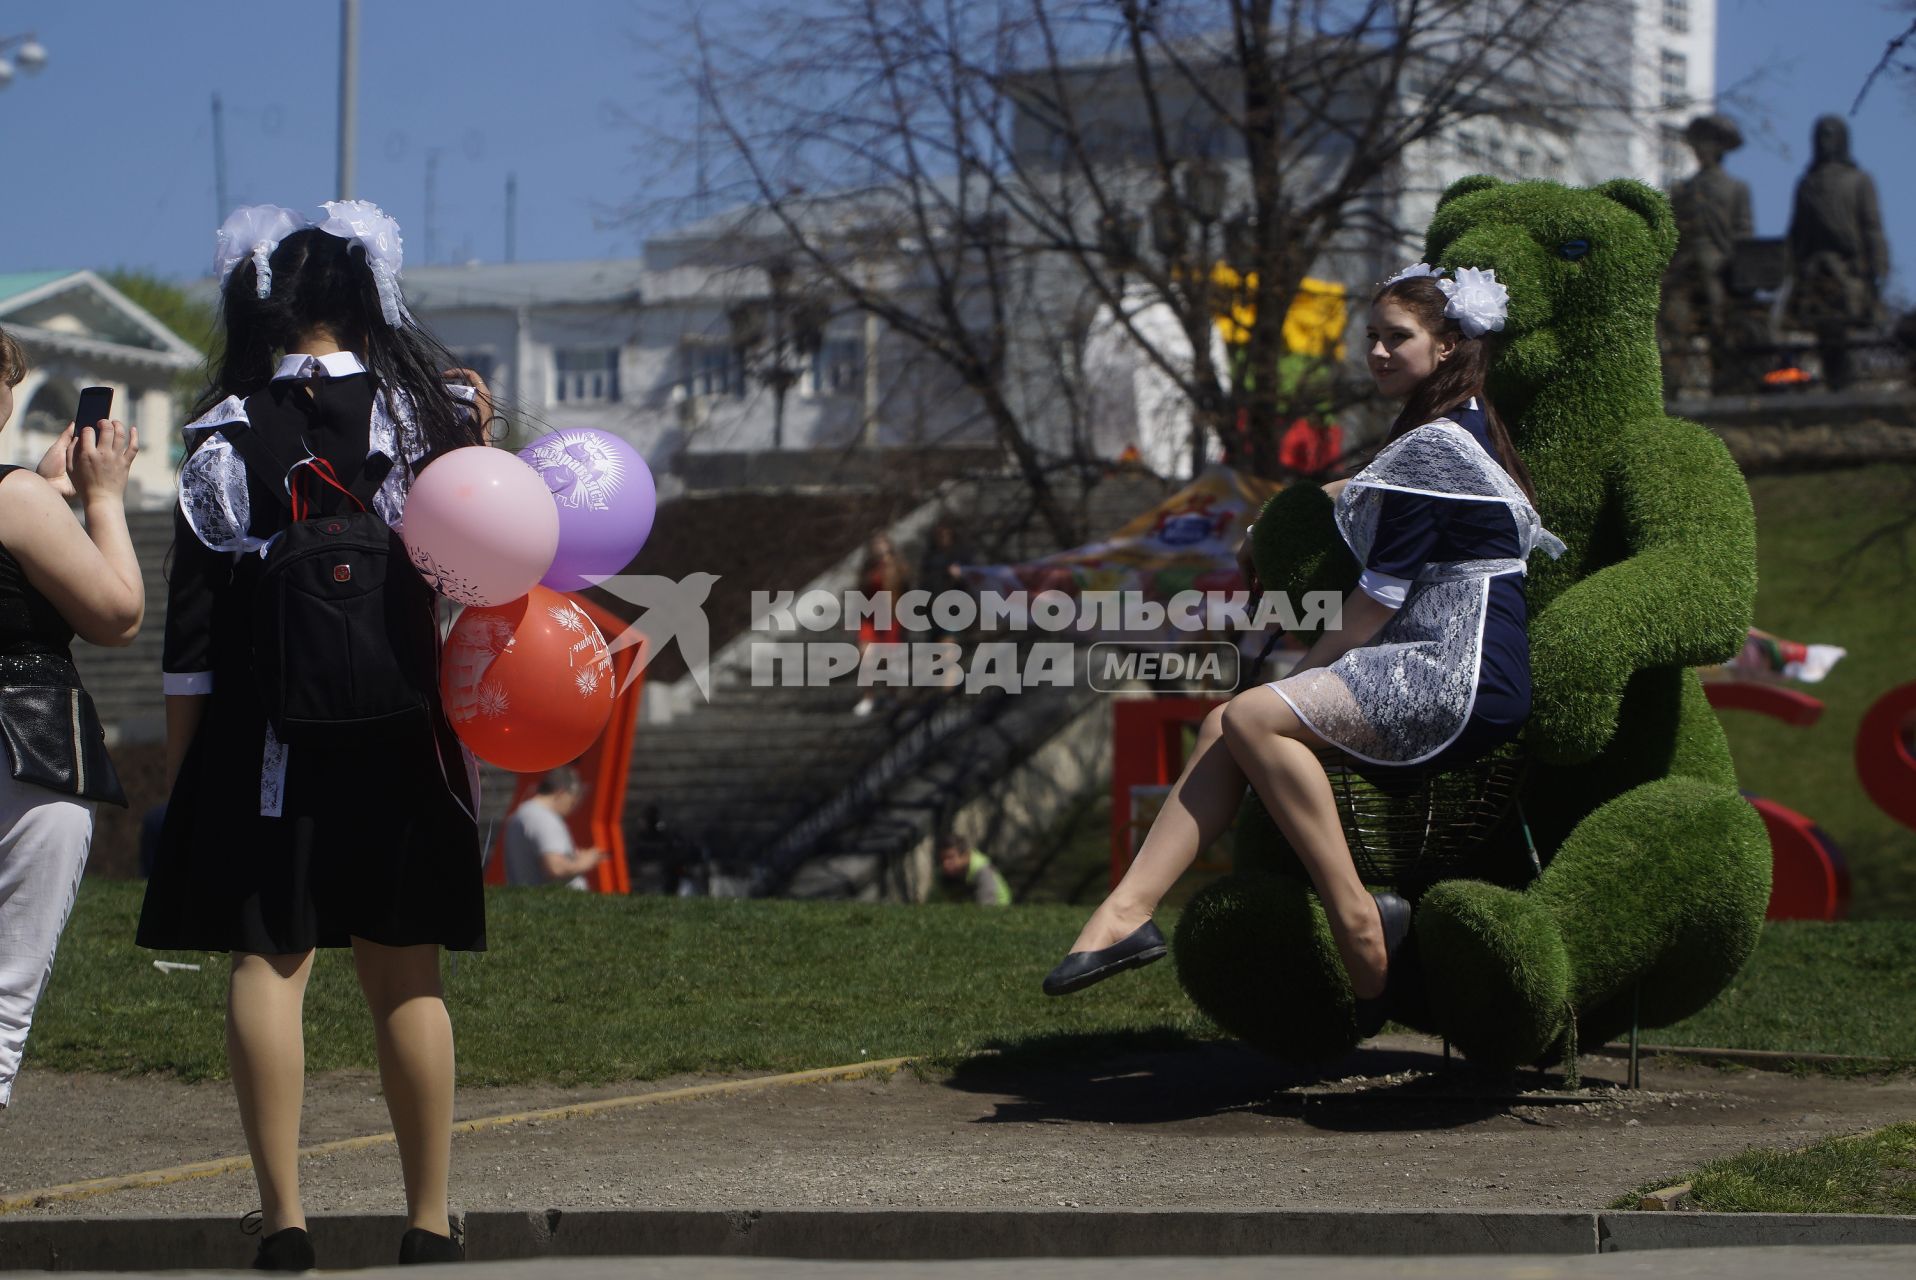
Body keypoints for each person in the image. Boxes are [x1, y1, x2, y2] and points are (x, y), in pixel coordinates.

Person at [1044, 263, 1561, 1031]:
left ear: (1450, 345)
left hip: (1457, 669)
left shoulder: (1434, 447)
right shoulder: (1454, 430)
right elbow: (1372, 490)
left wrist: (1298, 671)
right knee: (1227, 722)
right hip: (1442, 658)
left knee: (1251, 717)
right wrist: (1285, 516)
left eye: (1398, 339)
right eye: (1372, 339)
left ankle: (1356, 920)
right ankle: (1126, 912)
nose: (1378, 354)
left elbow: (1379, 598)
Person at [135, 202, 487, 1270]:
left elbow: (188, 643)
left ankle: (284, 1219)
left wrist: (187, 777)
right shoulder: (427, 421)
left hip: (263, 741)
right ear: (367, 296)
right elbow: (479, 572)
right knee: (405, 972)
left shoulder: (221, 432)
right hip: (398, 733)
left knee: (270, 960)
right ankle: (427, 1217)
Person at [0, 326, 143, 1112]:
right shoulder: (12, 494)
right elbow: (117, 613)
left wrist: (52, 494)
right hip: (24, 749)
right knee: (1, 1007)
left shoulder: (24, 497)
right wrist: (102, 499)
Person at [503, 767, 603, 889]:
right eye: (572, 800)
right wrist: (586, 861)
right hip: (558, 903)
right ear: (561, 792)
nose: (573, 807)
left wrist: (572, 858)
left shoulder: (522, 813)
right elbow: (555, 868)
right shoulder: (544, 818)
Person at [851, 533, 909, 717]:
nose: (881, 552)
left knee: (886, 660)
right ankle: (868, 697)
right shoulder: (868, 570)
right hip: (870, 618)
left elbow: (905, 589)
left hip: (890, 618)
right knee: (866, 656)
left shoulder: (899, 567)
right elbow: (861, 591)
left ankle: (892, 695)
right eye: (877, 549)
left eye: (884, 548)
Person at [935, 835, 1011, 906]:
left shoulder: (982, 870)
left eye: (950, 857)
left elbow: (986, 906)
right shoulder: (945, 874)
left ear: (965, 856)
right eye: (942, 859)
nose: (945, 864)